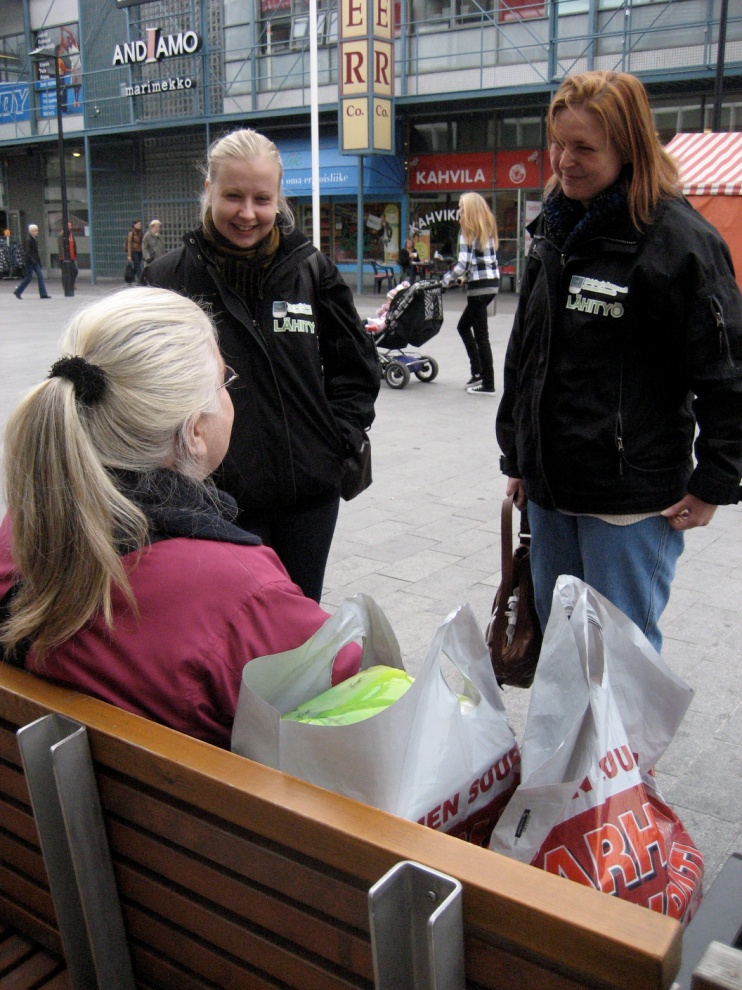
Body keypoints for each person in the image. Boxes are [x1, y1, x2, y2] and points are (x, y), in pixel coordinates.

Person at [0, 287, 360, 748]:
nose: (230, 394)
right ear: (194, 430)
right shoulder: (237, 592)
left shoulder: (26, 529)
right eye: (223, 380)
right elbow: (372, 721)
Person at [496, 70, 742, 652]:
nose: (564, 160)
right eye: (558, 143)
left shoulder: (677, 240)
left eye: (585, 148)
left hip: (630, 497)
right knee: (563, 646)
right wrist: (518, 453)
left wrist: (716, 479)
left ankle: (619, 750)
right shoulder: (555, 227)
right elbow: (525, 351)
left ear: (629, 146)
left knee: (618, 655)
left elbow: (726, 371)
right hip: (552, 490)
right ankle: (567, 749)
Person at [143, 128, 379, 601]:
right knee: (227, 633)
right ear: (208, 191)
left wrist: (337, 441)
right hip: (214, 502)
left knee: (297, 627)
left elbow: (356, 366)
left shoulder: (310, 270)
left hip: (308, 497)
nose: (247, 213)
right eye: (233, 195)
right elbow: (141, 385)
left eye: (261, 198)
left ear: (278, 200)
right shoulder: (168, 278)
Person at [442, 193, 500, 395]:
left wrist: (446, 279)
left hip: (479, 289)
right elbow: (483, 262)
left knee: (481, 336)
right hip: (492, 284)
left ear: (470, 209)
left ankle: (487, 382)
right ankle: (478, 373)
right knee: (464, 326)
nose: (459, 211)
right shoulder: (487, 229)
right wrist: (464, 278)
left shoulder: (468, 229)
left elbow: (463, 264)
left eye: (461, 207)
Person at [14, 224, 51, 299]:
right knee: (29, 277)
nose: (36, 232)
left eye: (37, 230)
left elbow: (35, 252)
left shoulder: (33, 239)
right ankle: (18, 291)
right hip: (30, 262)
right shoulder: (29, 240)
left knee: (38, 276)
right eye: (35, 231)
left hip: (34, 261)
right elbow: (28, 252)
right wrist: (34, 261)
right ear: (31, 231)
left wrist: (38, 261)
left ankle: (43, 294)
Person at [57, 220, 78, 290]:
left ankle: (72, 284)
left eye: (70, 226)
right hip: (65, 257)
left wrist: (75, 254)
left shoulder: (71, 234)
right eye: (68, 226)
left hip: (72, 256)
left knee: (75, 271)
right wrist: (63, 256)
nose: (69, 227)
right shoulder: (61, 235)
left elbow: (73, 245)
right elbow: (61, 246)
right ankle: (66, 286)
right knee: (65, 272)